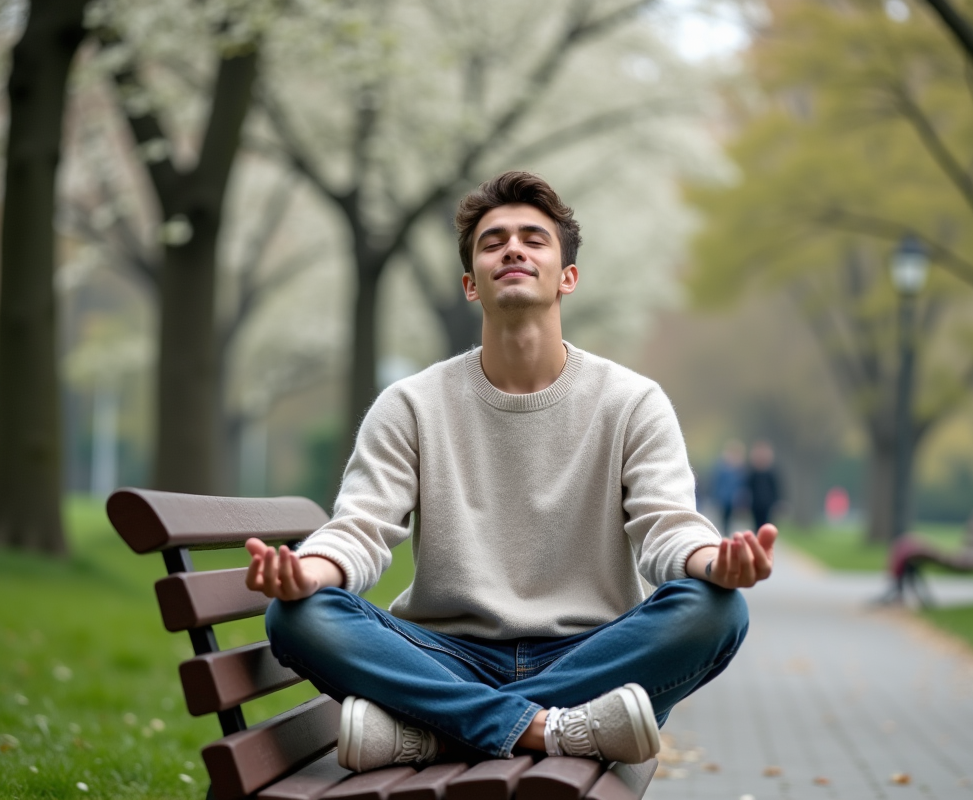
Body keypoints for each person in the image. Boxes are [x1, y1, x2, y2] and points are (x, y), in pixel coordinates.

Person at [243, 171, 777, 773]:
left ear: (567, 277)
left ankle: (443, 734)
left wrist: (713, 562)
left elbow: (668, 528)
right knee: (298, 616)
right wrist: (308, 571)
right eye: (493, 241)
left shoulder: (632, 402)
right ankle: (552, 730)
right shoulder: (411, 405)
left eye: (533, 238)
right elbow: (360, 528)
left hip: (591, 652)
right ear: (472, 285)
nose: (513, 249)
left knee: (718, 610)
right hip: (444, 654)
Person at [707, 440, 746, 530]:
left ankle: (728, 531)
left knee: (732, 518)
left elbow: (742, 485)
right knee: (723, 517)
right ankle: (724, 531)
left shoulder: (740, 469)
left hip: (734, 498)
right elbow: (716, 483)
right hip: (723, 497)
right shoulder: (721, 468)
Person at [745, 440, 782, 530]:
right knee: (756, 525)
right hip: (755, 503)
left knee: (767, 524)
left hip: (768, 503)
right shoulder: (752, 471)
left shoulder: (771, 471)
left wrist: (778, 502)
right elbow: (747, 487)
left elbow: (776, 488)